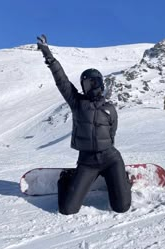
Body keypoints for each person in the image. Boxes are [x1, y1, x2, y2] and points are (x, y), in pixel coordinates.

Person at [37, 35, 131, 215]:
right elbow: (62, 81)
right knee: (67, 209)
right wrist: (48, 56)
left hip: (111, 159)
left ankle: (122, 179)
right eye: (88, 83)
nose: (92, 86)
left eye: (95, 82)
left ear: (101, 84)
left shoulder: (110, 109)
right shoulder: (77, 103)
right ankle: (69, 178)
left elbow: (112, 132)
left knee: (122, 207)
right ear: (83, 87)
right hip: (87, 162)